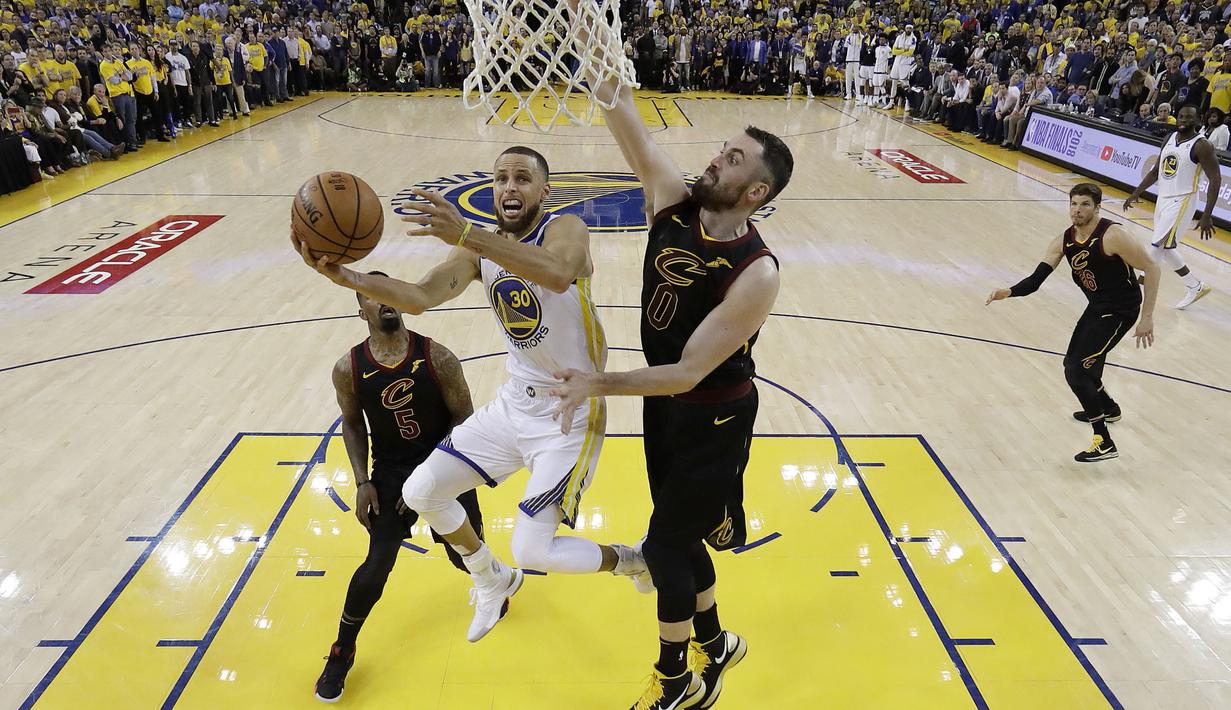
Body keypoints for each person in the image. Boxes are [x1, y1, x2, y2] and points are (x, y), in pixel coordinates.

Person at [298, 146, 648, 647]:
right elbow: (422, 296)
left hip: (570, 411)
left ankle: (632, 559)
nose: (510, 187)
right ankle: (490, 577)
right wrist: (345, 277)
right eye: (501, 178)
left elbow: (556, 272)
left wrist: (466, 234)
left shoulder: (565, 228)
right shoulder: (479, 250)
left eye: (523, 178)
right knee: (420, 492)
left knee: (532, 549)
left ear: (543, 192)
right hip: (515, 404)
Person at [566, 7, 794, 708]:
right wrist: (588, 40)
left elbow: (689, 372)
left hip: (713, 415)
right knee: (682, 533)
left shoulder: (755, 272)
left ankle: (680, 682)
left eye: (730, 160)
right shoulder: (670, 200)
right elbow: (622, 111)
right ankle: (718, 641)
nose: (712, 159)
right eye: (720, 149)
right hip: (667, 409)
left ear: (754, 192)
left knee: (663, 548)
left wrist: (595, 383)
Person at [313, 277, 492, 702]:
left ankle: (492, 582)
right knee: (377, 564)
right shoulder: (348, 369)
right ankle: (342, 650)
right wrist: (361, 482)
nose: (385, 301)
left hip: (446, 464)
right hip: (389, 475)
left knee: (463, 555)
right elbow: (354, 424)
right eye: (373, 296)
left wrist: (430, 479)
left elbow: (464, 419)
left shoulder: (437, 357)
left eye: (391, 291)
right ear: (363, 312)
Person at [987, 183, 1160, 461]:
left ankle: (1103, 441)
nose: (1077, 210)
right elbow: (1035, 280)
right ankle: (1109, 408)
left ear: (1097, 207)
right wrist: (1008, 291)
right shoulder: (1063, 240)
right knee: (1082, 366)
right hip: (1097, 307)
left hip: (1121, 310)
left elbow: (1152, 268)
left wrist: (1147, 317)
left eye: (1084, 205)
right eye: (1073, 204)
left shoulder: (1113, 235)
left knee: (1076, 371)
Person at [1124, 105, 1218, 309]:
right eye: (1181, 116)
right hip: (1164, 198)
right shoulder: (1169, 138)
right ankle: (1195, 285)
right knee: (1165, 247)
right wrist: (1136, 192)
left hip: (1183, 199)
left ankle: (1134, 289)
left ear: (1197, 119)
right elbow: (1157, 170)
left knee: (1156, 246)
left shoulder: (1202, 146)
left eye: (1189, 117)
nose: (1184, 120)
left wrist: (1207, 214)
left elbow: (1216, 179)